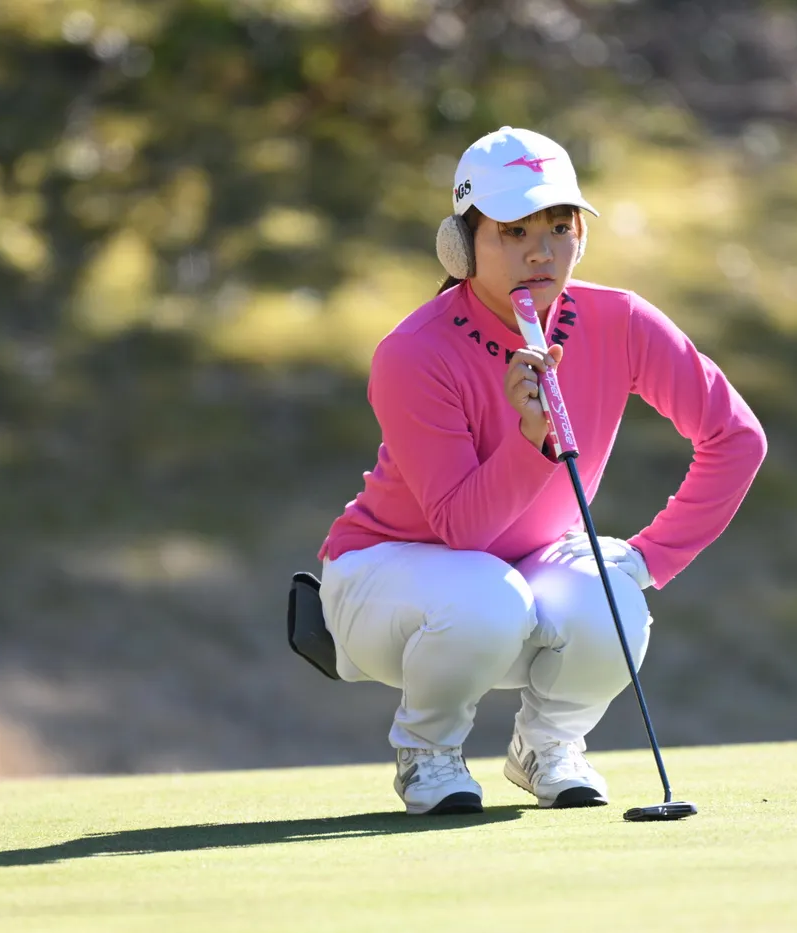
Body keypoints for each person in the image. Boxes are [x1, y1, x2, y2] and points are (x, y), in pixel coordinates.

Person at [316, 126, 767, 816]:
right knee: (486, 596)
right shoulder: (414, 352)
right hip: (381, 580)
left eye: (560, 227)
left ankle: (548, 746)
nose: (541, 251)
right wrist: (532, 443)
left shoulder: (620, 320)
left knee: (612, 598)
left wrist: (649, 558)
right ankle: (427, 751)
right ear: (461, 246)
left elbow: (736, 437)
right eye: (514, 230)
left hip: (520, 575)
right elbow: (463, 529)